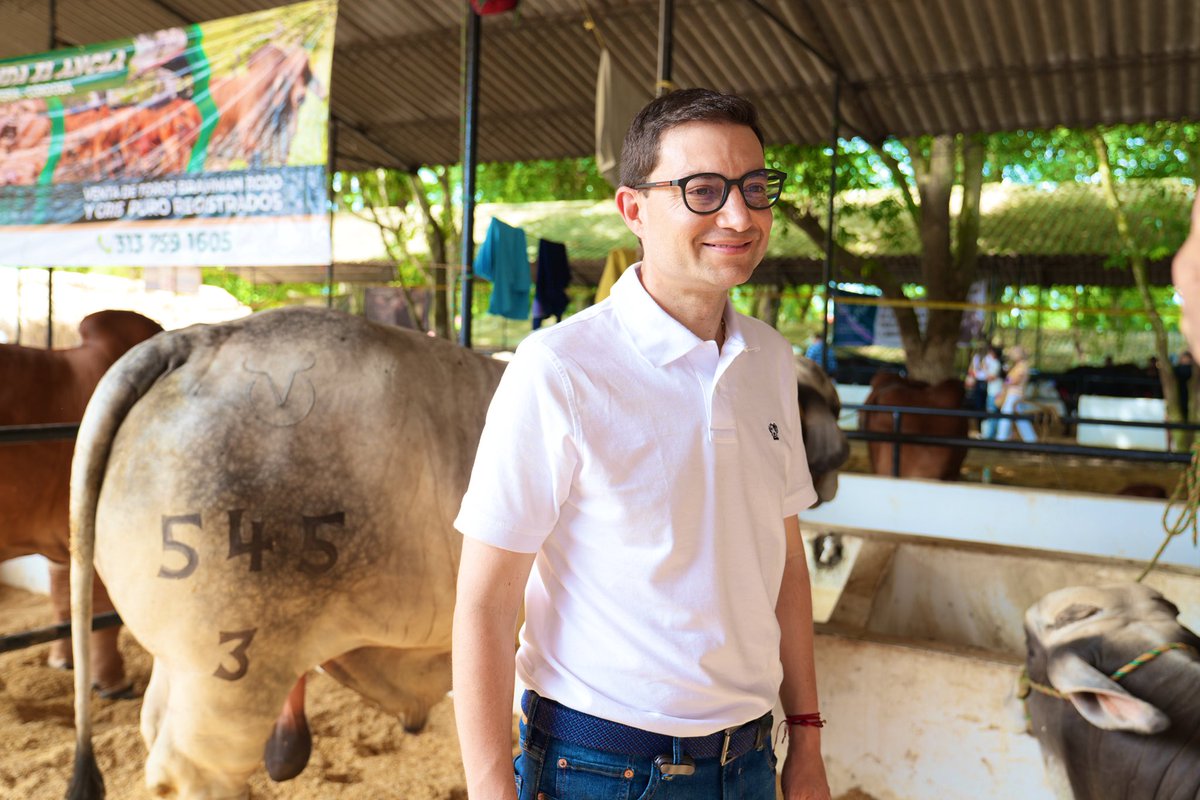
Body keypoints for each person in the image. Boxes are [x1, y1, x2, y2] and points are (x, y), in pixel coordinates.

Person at [452, 88, 831, 800]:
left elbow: (785, 563)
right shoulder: (560, 368)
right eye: (703, 190)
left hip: (750, 762)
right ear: (634, 209)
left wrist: (804, 738)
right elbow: (486, 602)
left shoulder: (771, 361)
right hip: (602, 769)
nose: (741, 216)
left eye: (755, 187)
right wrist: (489, 788)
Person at [994, 345, 1037, 442]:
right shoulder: (1019, 366)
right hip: (1015, 394)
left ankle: (1001, 438)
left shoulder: (1022, 366)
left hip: (1014, 395)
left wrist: (1006, 381)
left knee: (1006, 415)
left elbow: (1015, 380)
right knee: (1020, 418)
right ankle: (1030, 439)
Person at [976, 344, 1004, 439]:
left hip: (994, 392)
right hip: (994, 391)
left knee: (992, 412)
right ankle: (992, 434)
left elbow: (991, 377)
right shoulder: (995, 363)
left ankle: (989, 435)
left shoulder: (995, 363)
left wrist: (985, 369)